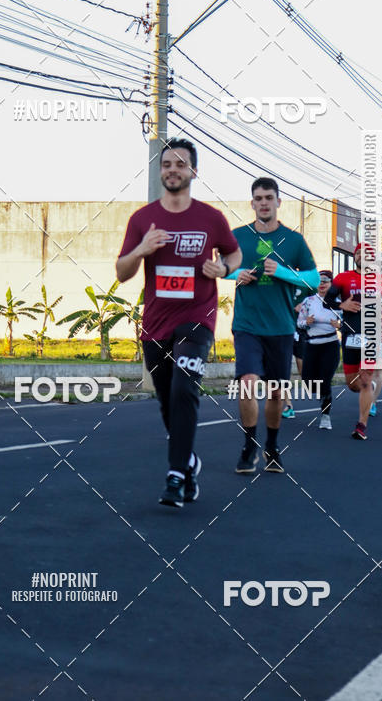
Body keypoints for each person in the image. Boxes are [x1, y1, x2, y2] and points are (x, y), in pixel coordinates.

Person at [116, 138, 241, 507]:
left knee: (185, 390)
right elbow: (122, 272)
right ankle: (188, 463)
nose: (173, 170)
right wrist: (142, 249)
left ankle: (174, 477)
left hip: (197, 318)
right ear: (161, 171)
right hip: (156, 324)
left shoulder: (211, 218)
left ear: (193, 171)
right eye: (167, 164)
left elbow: (234, 253)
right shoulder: (142, 219)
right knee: (168, 401)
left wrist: (224, 268)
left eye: (180, 164)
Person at [225, 177, 319, 474]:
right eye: (258, 198)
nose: (263, 203)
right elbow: (220, 268)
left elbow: (314, 280)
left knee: (277, 392)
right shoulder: (238, 236)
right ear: (252, 203)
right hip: (247, 324)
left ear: (278, 202)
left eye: (268, 197)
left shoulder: (294, 240)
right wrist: (237, 274)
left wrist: (282, 272)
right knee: (247, 383)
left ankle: (273, 446)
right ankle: (249, 445)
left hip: (280, 326)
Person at [323, 243, 382, 440]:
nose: (362, 256)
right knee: (353, 384)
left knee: (365, 380)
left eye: (367, 253)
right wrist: (342, 305)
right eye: (359, 253)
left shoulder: (381, 279)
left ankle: (361, 425)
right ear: (355, 257)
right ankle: (369, 389)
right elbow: (327, 301)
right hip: (351, 335)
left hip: (373, 335)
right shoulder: (343, 278)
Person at [297, 270, 341, 430]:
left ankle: (325, 416)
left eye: (325, 281)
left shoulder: (338, 302)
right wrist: (306, 322)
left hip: (330, 345)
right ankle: (321, 393)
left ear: (331, 284)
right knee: (308, 382)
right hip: (311, 345)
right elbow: (299, 322)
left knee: (325, 380)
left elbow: (347, 323)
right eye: (319, 281)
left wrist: (339, 325)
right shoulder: (308, 301)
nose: (322, 284)